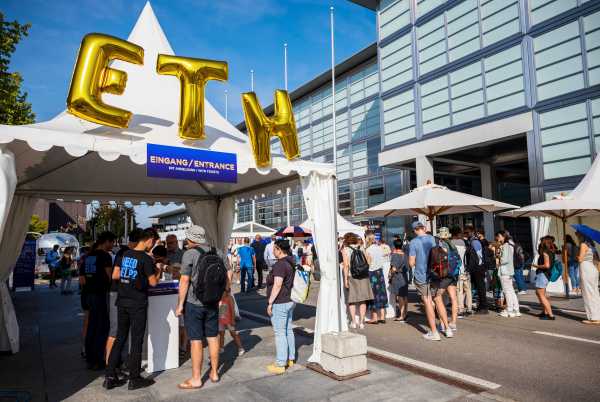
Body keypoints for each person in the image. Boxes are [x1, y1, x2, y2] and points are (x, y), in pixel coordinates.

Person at [104, 228, 159, 390]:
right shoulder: (146, 259)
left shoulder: (125, 254)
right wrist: (158, 270)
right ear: (148, 240)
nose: (153, 245)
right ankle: (134, 378)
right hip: (137, 303)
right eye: (154, 242)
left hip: (122, 301)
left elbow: (115, 275)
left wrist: (131, 277)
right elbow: (153, 283)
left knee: (120, 338)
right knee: (136, 340)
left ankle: (109, 375)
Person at [176, 225, 221, 389]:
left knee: (196, 340)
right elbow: (227, 275)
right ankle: (214, 373)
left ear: (191, 239)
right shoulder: (218, 252)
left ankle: (196, 378)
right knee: (213, 337)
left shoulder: (189, 254)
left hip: (194, 303)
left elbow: (184, 280)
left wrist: (180, 304)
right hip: (213, 302)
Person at [409, 221, 451, 341]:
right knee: (438, 300)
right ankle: (447, 329)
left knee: (427, 302)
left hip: (421, 276)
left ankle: (434, 332)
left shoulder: (413, 242)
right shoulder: (433, 239)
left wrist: (418, 261)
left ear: (415, 230)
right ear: (424, 228)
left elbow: (411, 263)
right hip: (435, 275)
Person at [106, 230, 140, 367]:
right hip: (117, 293)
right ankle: (110, 364)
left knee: (122, 331)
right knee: (115, 331)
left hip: (124, 295)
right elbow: (115, 275)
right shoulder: (124, 254)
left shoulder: (128, 254)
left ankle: (115, 363)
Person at [81, 231, 115, 370]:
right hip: (99, 295)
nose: (112, 245)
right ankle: (98, 359)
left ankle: (90, 358)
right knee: (101, 327)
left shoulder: (88, 256)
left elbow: (82, 280)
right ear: (106, 241)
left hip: (87, 294)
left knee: (91, 327)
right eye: (112, 242)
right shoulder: (104, 256)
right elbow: (110, 276)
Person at [266, 239, 296, 374]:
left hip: (280, 301)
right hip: (290, 300)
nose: (273, 251)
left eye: (274, 248)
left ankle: (280, 363)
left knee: (280, 333)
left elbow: (277, 285)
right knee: (288, 330)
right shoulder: (291, 261)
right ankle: (290, 358)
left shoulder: (280, 265)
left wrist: (270, 302)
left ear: (278, 249)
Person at [341, 233, 373, 329]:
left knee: (352, 300)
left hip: (352, 276)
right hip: (363, 276)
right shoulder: (361, 248)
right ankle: (362, 322)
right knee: (363, 299)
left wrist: (345, 279)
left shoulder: (345, 250)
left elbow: (346, 265)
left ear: (346, 240)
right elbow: (369, 260)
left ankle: (354, 322)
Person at [575, 230, 600, 325]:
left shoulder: (583, 245)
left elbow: (580, 259)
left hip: (586, 268)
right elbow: (597, 260)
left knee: (588, 293)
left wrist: (576, 256)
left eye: (577, 234)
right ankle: (598, 316)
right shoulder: (592, 247)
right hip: (593, 269)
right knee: (595, 293)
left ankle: (593, 318)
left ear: (582, 235)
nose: (576, 235)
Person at [437, 227, 459, 332]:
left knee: (438, 298)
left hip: (445, 275)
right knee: (453, 298)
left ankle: (442, 323)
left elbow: (441, 260)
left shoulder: (442, 245)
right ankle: (453, 322)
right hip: (454, 274)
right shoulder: (453, 245)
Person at [495, 231, 521, 318]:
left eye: (499, 236)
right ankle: (516, 309)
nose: (497, 238)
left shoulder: (505, 246)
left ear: (503, 236)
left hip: (504, 271)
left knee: (507, 291)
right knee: (511, 291)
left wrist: (498, 258)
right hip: (509, 270)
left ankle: (509, 310)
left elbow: (504, 259)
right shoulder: (510, 245)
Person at [365, 232, 388, 324]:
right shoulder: (380, 248)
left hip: (372, 273)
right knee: (381, 293)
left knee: (373, 294)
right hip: (380, 272)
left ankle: (374, 317)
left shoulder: (368, 250)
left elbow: (369, 263)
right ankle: (382, 316)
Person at [464, 225, 488, 314]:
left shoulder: (474, 242)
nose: (466, 234)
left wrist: (478, 265)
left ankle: (483, 307)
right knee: (479, 288)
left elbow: (479, 255)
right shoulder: (471, 241)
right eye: (465, 232)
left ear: (472, 232)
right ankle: (481, 306)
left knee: (481, 288)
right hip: (476, 268)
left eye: (467, 232)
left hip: (478, 268)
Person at [531, 238, 555, 320]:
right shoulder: (551, 252)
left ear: (544, 243)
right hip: (545, 275)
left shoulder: (545, 252)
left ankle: (550, 314)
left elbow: (547, 265)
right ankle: (544, 312)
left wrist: (536, 266)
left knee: (541, 295)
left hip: (543, 274)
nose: (540, 243)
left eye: (541, 242)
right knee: (540, 294)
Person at [450, 226, 472, 317]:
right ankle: (469, 307)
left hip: (457, 270)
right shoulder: (463, 242)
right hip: (465, 269)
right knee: (467, 289)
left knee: (459, 290)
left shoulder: (451, 243)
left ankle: (460, 309)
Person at [218, 287, 245, 355]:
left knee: (233, 333)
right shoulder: (219, 298)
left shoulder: (229, 298)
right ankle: (221, 347)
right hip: (221, 316)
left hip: (228, 318)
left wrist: (232, 320)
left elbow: (233, 310)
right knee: (221, 333)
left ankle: (240, 348)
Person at [389, 239, 408, 322]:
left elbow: (393, 268)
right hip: (404, 276)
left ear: (394, 245)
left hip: (397, 276)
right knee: (405, 296)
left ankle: (401, 315)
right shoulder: (405, 255)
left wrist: (390, 274)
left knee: (400, 296)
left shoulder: (395, 255)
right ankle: (405, 313)